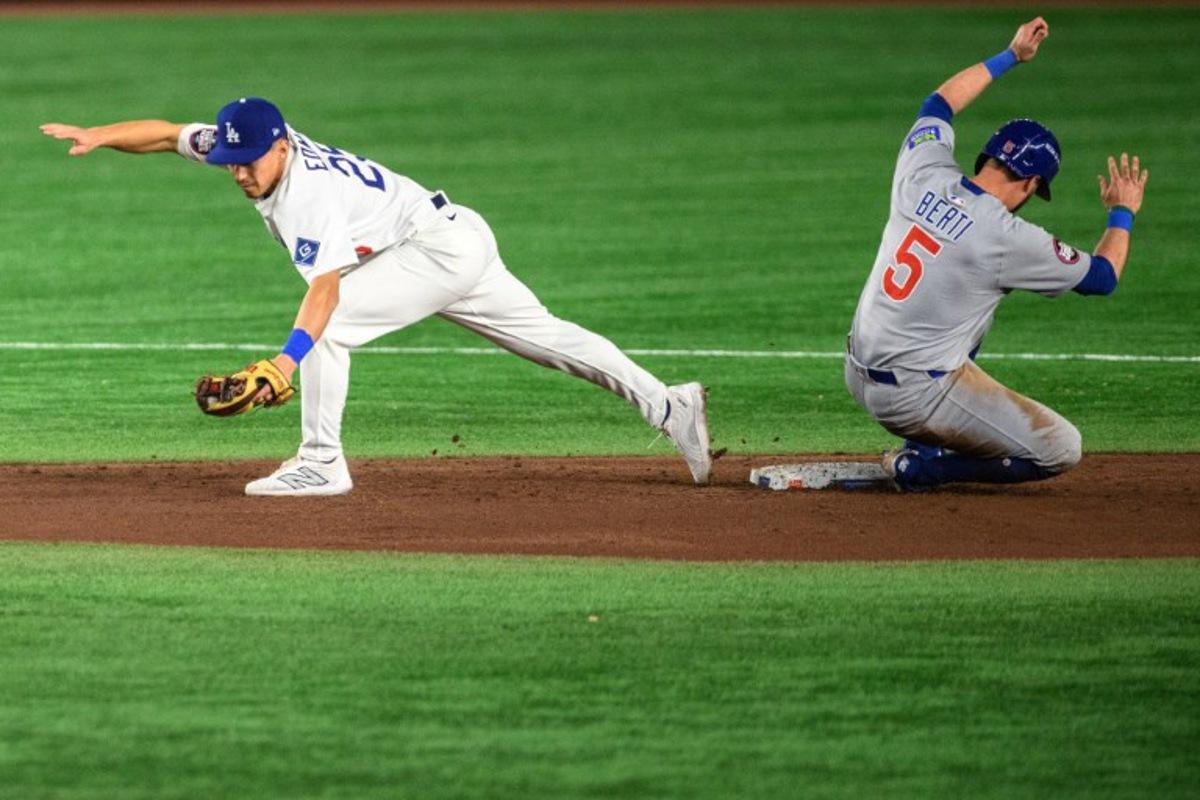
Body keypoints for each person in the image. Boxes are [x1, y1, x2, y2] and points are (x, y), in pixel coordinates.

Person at [41, 99, 712, 495]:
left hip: (432, 251)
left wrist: (285, 362)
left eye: (249, 161)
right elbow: (164, 134)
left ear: (280, 146)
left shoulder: (308, 196)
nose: (237, 172)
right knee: (548, 338)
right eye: (229, 163)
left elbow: (326, 293)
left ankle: (319, 464)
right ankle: (670, 404)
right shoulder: (247, 146)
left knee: (329, 330)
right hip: (447, 236)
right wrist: (101, 136)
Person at [844, 16, 1148, 491]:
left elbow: (939, 103)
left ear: (987, 157)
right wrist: (1122, 213)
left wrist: (1012, 55)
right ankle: (925, 469)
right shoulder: (1007, 236)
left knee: (971, 306)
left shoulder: (922, 172)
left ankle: (923, 445)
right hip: (914, 397)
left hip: (856, 371)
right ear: (1031, 184)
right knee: (1062, 448)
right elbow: (1103, 276)